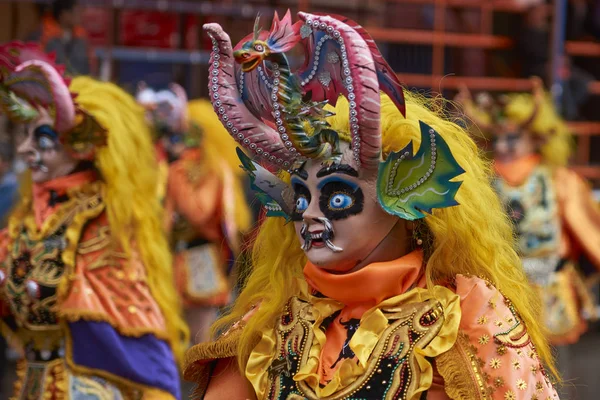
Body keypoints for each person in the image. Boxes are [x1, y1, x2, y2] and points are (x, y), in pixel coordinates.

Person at [183, 11, 559, 399]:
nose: (310, 213)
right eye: (300, 196)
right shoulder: (270, 318)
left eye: (338, 197)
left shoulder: (465, 314)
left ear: (403, 193)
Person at [0, 42, 186, 398]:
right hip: (32, 378)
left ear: (81, 145)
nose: (25, 151)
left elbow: (122, 321)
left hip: (85, 385)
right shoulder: (31, 211)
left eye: (42, 140)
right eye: (26, 137)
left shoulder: (103, 217)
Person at [458, 78, 600, 346]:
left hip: (551, 289)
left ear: (536, 139)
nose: (502, 146)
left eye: (512, 138)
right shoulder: (483, 180)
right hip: (500, 288)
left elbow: (591, 231)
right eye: (497, 138)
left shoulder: (559, 179)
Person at [136, 83, 252, 344]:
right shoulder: (174, 166)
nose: (179, 142)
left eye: (187, 135)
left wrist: (176, 172)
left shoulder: (211, 169)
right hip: (174, 256)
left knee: (201, 337)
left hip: (201, 258)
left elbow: (199, 212)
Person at [28, 0, 90, 76]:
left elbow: (86, 68)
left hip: (80, 84)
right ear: (64, 14)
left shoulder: (80, 36)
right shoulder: (42, 36)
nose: (80, 15)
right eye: (76, 12)